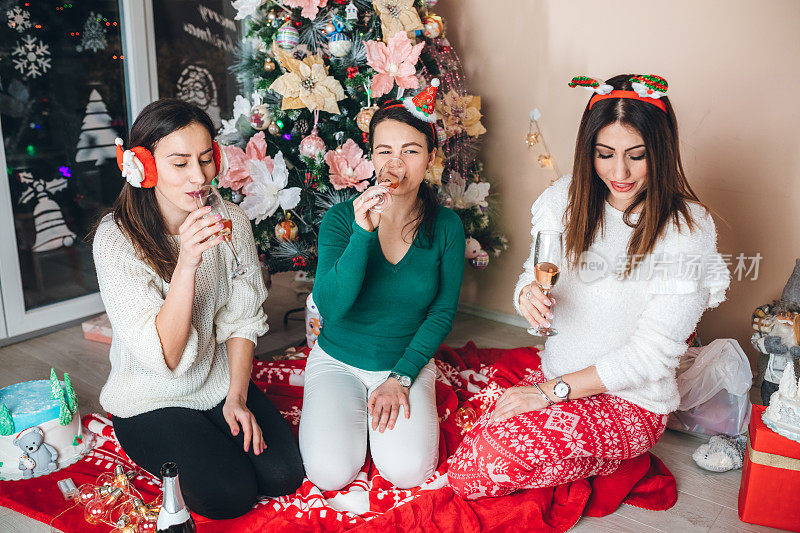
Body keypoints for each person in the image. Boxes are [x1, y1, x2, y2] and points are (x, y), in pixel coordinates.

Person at [448, 74, 731, 498]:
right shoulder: (565, 197)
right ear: (589, 151)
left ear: (662, 151)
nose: (620, 173)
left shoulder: (686, 231)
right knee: (462, 425)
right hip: (556, 374)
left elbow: (650, 359)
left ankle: (614, 454)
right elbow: (535, 271)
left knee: (476, 470)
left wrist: (547, 394)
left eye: (637, 156)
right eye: (605, 154)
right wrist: (527, 295)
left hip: (629, 401)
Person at [91, 98, 303, 519]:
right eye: (180, 163)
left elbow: (242, 316)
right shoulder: (116, 242)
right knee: (229, 496)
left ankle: (217, 420)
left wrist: (238, 397)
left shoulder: (232, 222)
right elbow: (165, 357)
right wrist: (187, 263)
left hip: (218, 382)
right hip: (151, 397)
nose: (199, 177)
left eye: (206, 160)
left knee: (285, 475)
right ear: (142, 168)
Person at [299, 87, 466, 491]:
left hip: (404, 364)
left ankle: (385, 422)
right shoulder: (342, 219)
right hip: (337, 359)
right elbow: (330, 307)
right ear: (371, 157)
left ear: (429, 158)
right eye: (384, 151)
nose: (396, 164)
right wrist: (362, 234)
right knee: (329, 473)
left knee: (408, 471)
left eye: (410, 151)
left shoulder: (446, 227)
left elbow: (442, 312)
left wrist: (403, 377)